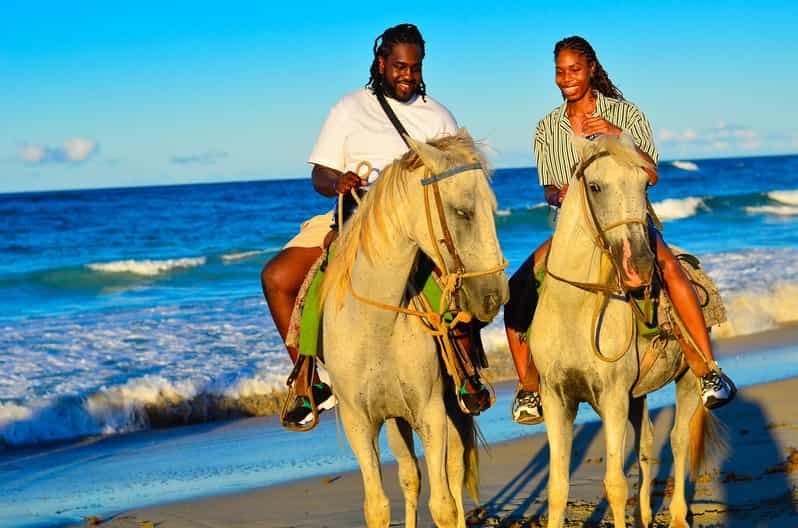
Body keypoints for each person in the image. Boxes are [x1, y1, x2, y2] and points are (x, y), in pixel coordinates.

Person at [261, 23, 491, 430]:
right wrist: (339, 182)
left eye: (415, 67)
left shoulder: (437, 116)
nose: (407, 75)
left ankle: (466, 372)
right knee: (277, 277)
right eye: (399, 66)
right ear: (381, 63)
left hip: (417, 226)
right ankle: (307, 381)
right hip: (351, 215)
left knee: (463, 279)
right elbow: (320, 174)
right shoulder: (349, 108)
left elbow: (457, 180)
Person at [505, 36, 736, 425]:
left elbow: (651, 173)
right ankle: (530, 388)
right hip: (574, 231)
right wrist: (555, 193)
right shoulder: (547, 127)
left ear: (591, 69)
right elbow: (548, 185)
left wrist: (617, 135)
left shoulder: (626, 115)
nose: (566, 79)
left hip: (629, 221)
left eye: (574, 70)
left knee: (671, 271)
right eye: (560, 72)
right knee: (518, 292)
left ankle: (706, 369)